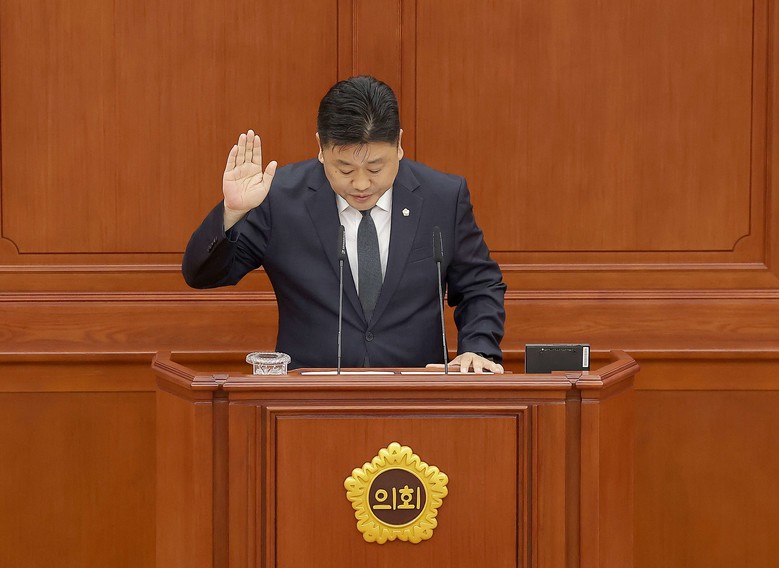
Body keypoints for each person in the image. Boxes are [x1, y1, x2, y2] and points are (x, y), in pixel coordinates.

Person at [182, 76, 506, 372]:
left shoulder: (442, 197)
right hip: (310, 396)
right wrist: (232, 212)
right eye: (345, 169)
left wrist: (478, 349)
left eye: (376, 168)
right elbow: (202, 275)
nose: (361, 184)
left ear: (399, 144)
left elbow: (480, 285)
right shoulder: (278, 198)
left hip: (415, 392)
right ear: (321, 148)